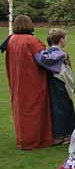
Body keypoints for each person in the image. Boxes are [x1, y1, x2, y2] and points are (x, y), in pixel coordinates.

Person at [1, 15, 54, 149]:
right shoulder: (31, 40)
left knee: (21, 109)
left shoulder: (11, 39)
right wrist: (59, 56)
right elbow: (43, 60)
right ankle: (34, 140)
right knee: (34, 109)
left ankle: (23, 139)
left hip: (17, 81)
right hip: (32, 81)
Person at [35, 29, 75, 144]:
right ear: (61, 40)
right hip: (59, 83)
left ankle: (64, 134)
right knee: (61, 109)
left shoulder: (47, 52)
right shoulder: (58, 54)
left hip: (55, 83)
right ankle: (61, 135)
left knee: (60, 108)